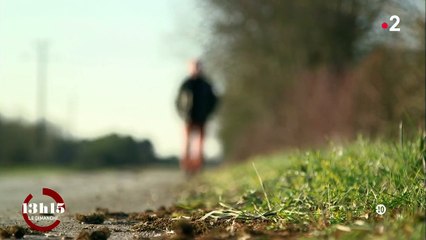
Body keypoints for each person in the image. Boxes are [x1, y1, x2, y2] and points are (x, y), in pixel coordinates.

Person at [176, 59, 218, 174]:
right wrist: (181, 114)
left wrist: (208, 113)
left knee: (200, 143)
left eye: (198, 66)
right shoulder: (185, 84)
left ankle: (198, 167)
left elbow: (214, 100)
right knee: (186, 143)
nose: (196, 69)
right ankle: (185, 167)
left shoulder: (206, 85)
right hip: (187, 118)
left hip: (201, 118)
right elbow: (178, 101)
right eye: (194, 66)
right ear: (189, 68)